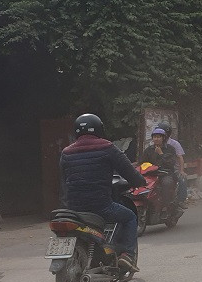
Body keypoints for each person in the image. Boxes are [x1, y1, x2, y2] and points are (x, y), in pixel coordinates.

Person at [60, 114, 146, 272]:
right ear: (99, 129)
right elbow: (129, 172)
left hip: (73, 209)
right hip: (101, 206)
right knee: (129, 217)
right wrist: (140, 181)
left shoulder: (66, 152)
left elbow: (64, 181)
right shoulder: (107, 147)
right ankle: (127, 255)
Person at [140, 128, 178, 209]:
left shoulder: (170, 149)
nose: (156, 139)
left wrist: (161, 154)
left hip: (165, 174)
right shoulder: (148, 150)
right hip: (151, 174)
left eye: (158, 137)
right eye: (154, 137)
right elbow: (142, 162)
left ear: (163, 138)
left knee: (166, 183)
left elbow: (171, 163)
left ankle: (166, 206)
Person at [156, 122, 187, 206]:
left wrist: (181, 171)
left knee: (182, 179)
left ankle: (181, 201)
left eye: (160, 135)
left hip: (172, 168)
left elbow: (180, 157)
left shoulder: (174, 144)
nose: (157, 138)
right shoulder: (154, 144)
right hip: (158, 168)